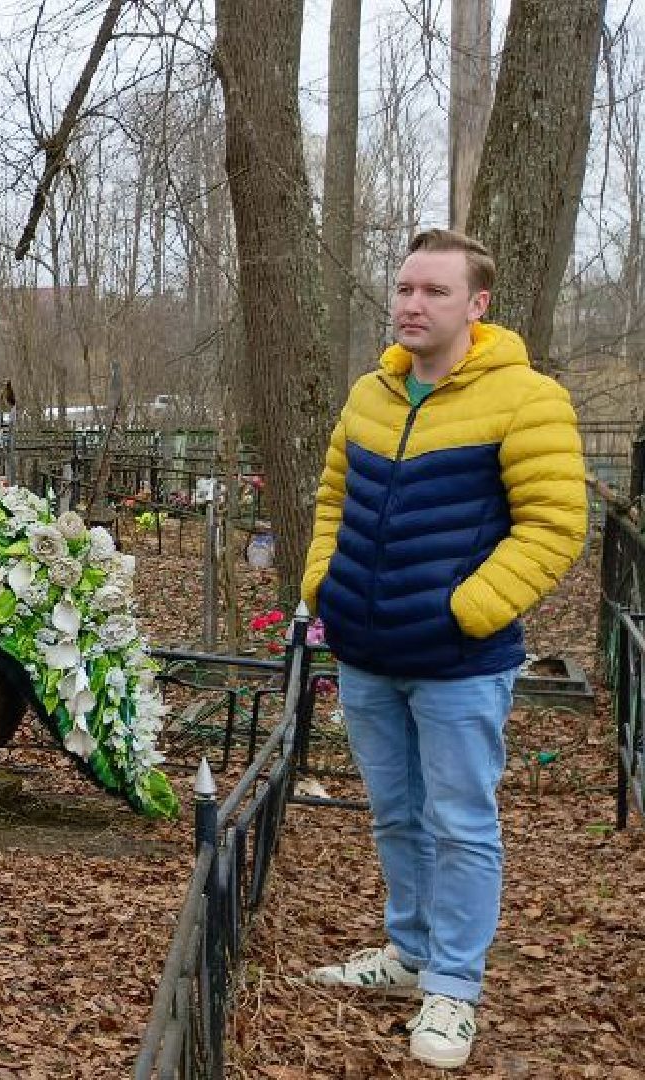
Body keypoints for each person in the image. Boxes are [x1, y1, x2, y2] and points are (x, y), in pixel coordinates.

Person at [298, 228, 587, 1069]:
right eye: (405, 288)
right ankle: (410, 951)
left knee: (460, 823)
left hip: (460, 664)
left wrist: (468, 611)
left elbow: (554, 526)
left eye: (435, 291)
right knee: (395, 812)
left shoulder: (527, 399)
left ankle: (454, 987)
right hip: (366, 653)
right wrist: (324, 582)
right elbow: (332, 498)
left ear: (477, 304)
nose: (413, 304)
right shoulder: (371, 395)